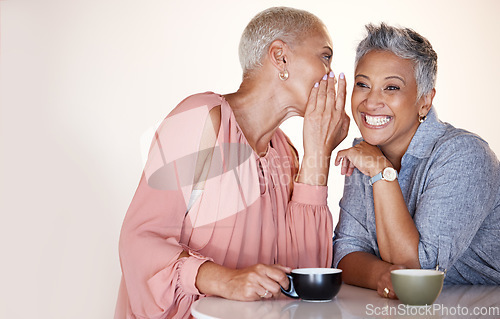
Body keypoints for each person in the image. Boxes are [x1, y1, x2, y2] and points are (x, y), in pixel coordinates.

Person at [115, 7, 350, 319]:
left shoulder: (287, 152)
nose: (331, 74)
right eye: (325, 56)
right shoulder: (202, 119)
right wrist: (225, 279)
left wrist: (317, 153)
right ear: (280, 57)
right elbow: (139, 239)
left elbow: (305, 273)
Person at [333, 23, 500, 300]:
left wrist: (381, 173)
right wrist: (380, 275)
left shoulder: (465, 155)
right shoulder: (367, 152)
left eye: (391, 87)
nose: (371, 101)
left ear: (424, 101)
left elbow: (417, 272)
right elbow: (346, 252)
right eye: (363, 84)